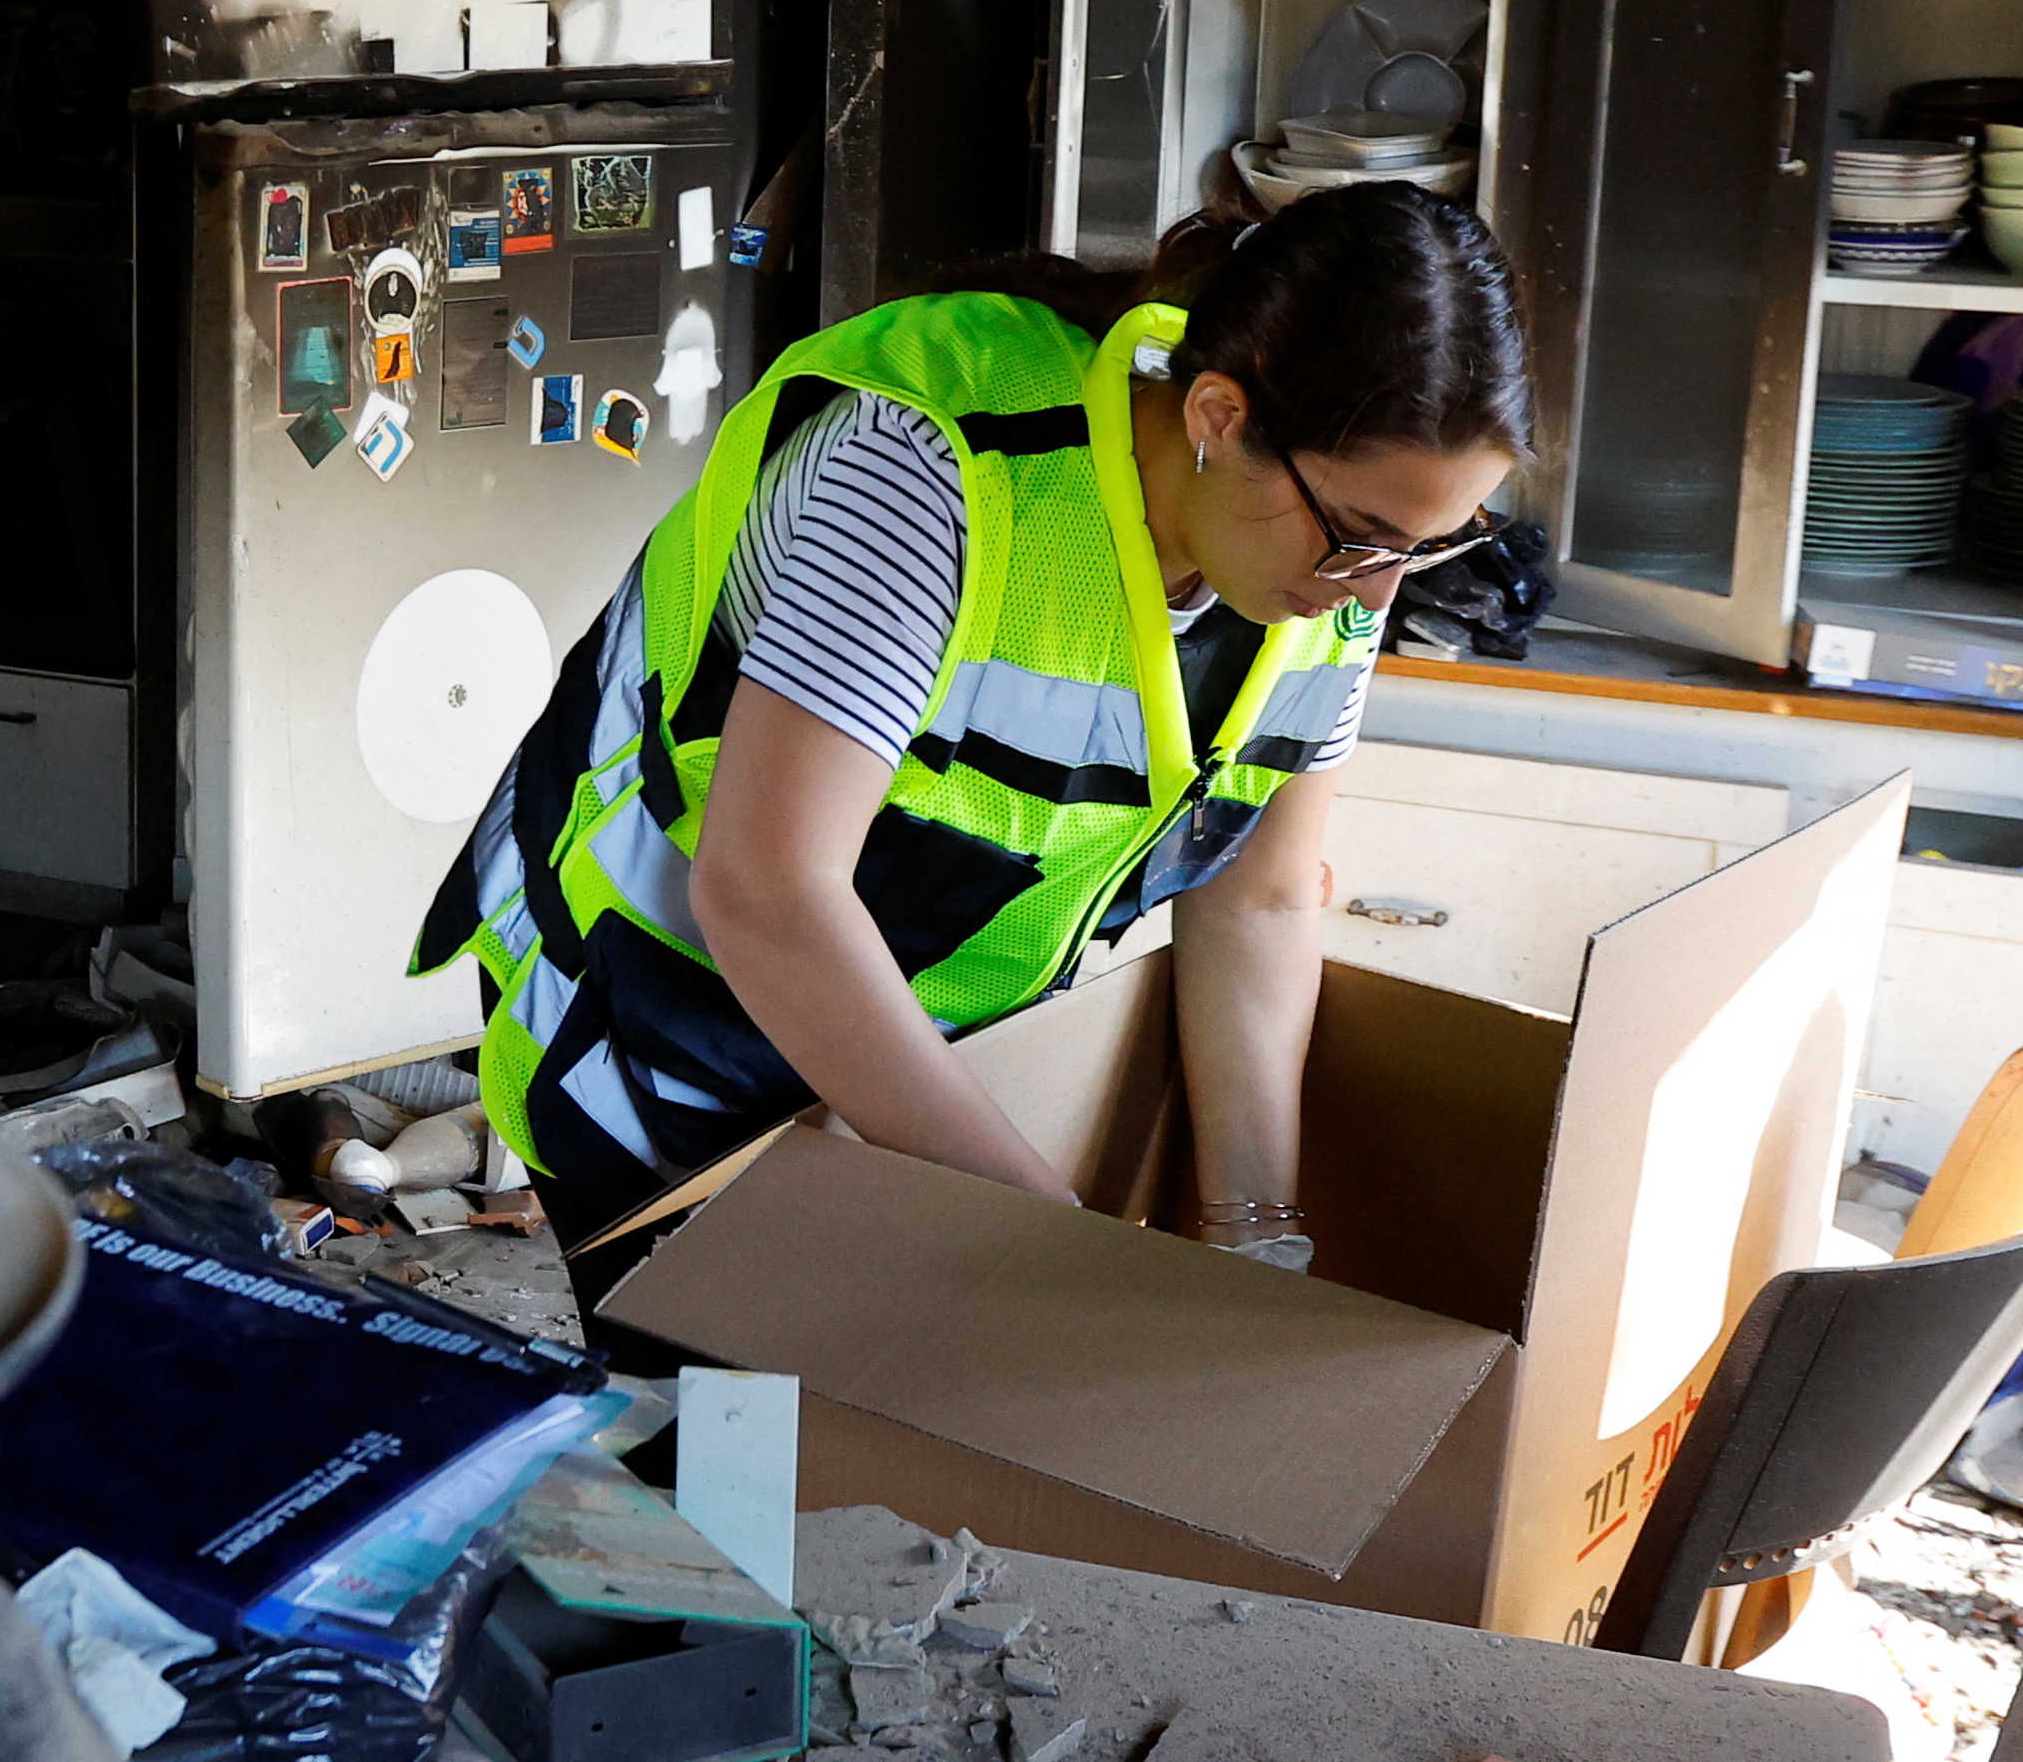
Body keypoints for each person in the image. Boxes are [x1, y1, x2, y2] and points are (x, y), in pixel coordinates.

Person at [419, 182, 1531, 1270]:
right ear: (1217, 416)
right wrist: (1042, 1233)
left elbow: (1260, 896)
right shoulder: (932, 467)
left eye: (1430, 545)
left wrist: (1252, 1224)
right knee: (732, 1438)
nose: (1379, 596)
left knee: (909, 1423)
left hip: (906, 1041)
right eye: (1361, 535)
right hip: (657, 1022)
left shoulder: (1318, 576)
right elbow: (767, 889)